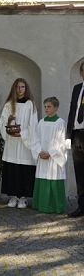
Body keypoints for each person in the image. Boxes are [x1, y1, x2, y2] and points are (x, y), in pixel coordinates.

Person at [0, 78, 38, 209]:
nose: (20, 89)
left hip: (24, 142)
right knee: (12, 169)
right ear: (14, 88)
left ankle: (23, 198)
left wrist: (23, 133)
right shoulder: (9, 104)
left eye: (22, 87)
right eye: (18, 87)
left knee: (23, 169)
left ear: (26, 89)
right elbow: (3, 120)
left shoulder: (30, 104)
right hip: (12, 142)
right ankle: (13, 197)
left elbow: (33, 124)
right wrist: (9, 126)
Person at [32, 97, 67, 214]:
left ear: (56, 108)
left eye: (49, 106)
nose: (46, 109)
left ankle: (56, 206)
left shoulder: (60, 123)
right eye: (45, 106)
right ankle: (41, 205)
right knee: (43, 179)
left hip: (53, 159)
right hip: (42, 156)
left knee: (54, 179)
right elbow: (35, 139)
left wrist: (51, 153)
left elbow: (62, 142)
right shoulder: (41, 122)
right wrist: (39, 151)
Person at [67, 61, 84, 217]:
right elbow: (72, 111)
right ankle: (81, 207)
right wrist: (68, 136)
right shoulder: (77, 88)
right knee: (79, 173)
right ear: (81, 73)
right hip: (77, 134)